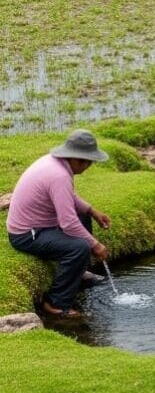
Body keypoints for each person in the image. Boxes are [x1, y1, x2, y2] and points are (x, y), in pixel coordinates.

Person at [6, 129, 111, 319]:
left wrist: (92, 211)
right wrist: (95, 245)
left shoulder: (56, 164)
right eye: (89, 162)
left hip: (38, 226)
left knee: (83, 217)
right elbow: (68, 223)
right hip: (27, 235)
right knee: (79, 248)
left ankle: (79, 273)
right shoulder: (59, 175)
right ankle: (55, 303)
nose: (89, 166)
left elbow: (68, 198)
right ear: (80, 160)